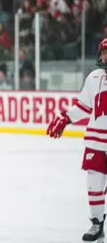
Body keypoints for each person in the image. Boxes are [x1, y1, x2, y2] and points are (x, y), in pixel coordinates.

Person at [47, 38, 107, 242]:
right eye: (104, 53)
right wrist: (66, 118)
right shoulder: (93, 78)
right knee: (94, 184)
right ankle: (97, 224)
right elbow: (84, 107)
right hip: (96, 141)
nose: (105, 56)